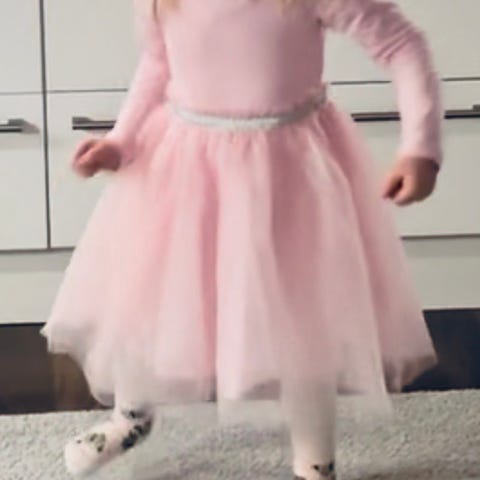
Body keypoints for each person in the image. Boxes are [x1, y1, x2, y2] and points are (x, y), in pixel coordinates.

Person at [41, 0, 442, 478]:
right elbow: (159, 62)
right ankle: (131, 416)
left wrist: (420, 147)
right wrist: (121, 139)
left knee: (302, 321)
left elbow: (401, 44)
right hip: (185, 166)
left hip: (286, 176)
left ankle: (316, 462)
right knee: (150, 297)